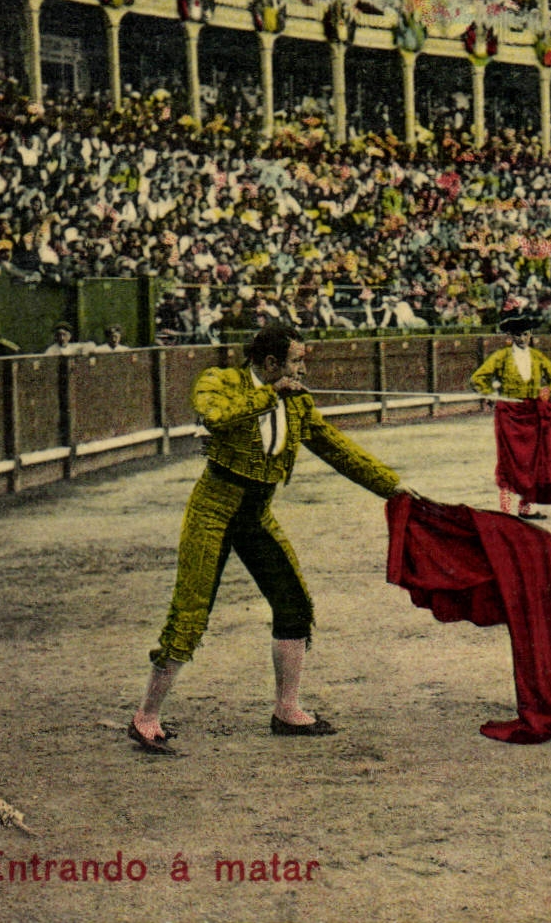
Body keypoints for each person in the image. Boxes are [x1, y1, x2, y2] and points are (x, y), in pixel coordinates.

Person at [130, 322, 419, 751]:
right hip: (213, 511)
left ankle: (287, 709)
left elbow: (336, 447)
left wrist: (391, 486)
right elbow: (216, 417)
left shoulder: (297, 404)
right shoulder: (221, 381)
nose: (302, 370)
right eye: (297, 362)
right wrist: (273, 393)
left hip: (256, 515)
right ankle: (146, 717)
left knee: (294, 603)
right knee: (190, 613)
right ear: (271, 363)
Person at [468, 312, 551, 520]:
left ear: (531, 334)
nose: (522, 339)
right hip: (510, 412)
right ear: (511, 337)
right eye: (518, 335)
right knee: (509, 461)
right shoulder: (501, 356)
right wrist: (491, 395)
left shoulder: (537, 356)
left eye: (525, 335)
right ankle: (506, 510)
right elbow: (478, 378)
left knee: (531, 462)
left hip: (532, 413)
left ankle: (526, 509)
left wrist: (548, 390)